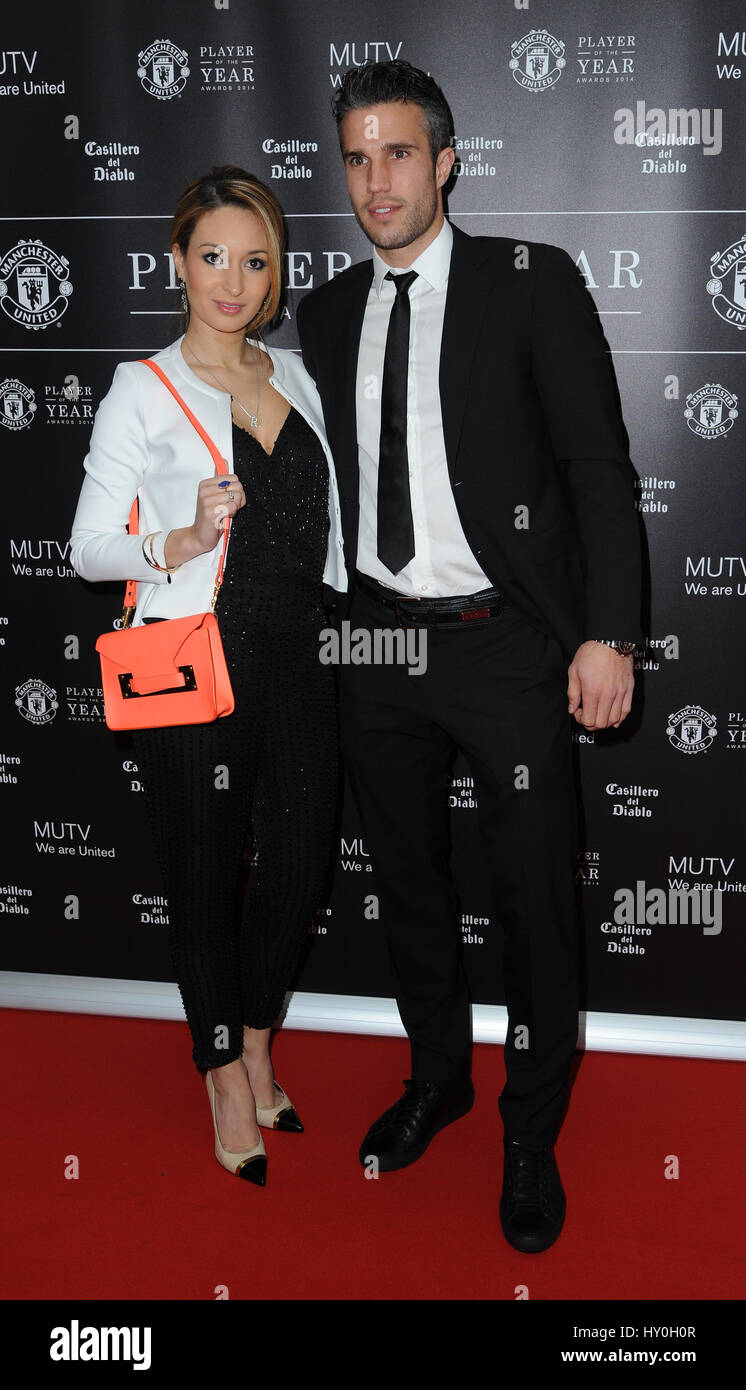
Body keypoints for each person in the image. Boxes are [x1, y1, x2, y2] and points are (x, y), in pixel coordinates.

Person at [296, 61, 642, 1251]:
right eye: (356, 156)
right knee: (408, 888)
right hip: (377, 637)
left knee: (534, 903)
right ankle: (437, 1076)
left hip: (506, 643)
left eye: (398, 153)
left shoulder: (526, 284)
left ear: (444, 162)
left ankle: (526, 1129)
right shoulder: (328, 310)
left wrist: (606, 631)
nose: (375, 179)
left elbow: (597, 467)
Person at [70, 166, 347, 1185]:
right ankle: (224, 1070)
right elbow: (88, 545)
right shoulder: (142, 387)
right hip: (197, 664)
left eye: (256, 259)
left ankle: (259, 1033)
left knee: (300, 866)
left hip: (300, 658)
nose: (233, 280)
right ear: (178, 260)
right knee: (201, 877)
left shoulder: (295, 376)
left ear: (276, 273)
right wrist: (177, 537)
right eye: (214, 256)